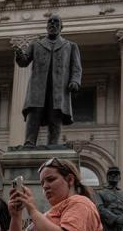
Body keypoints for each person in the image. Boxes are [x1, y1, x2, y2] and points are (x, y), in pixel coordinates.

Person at [14, 14, 82, 148]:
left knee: (55, 115)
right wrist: (19, 55)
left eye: (56, 22)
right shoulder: (36, 44)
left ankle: (53, 144)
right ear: (46, 26)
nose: (52, 24)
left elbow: (76, 67)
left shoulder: (70, 46)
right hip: (38, 87)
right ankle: (29, 142)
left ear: (61, 26)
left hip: (58, 87)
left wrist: (75, 81)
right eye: (50, 22)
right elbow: (24, 62)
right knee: (34, 113)